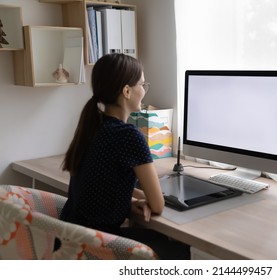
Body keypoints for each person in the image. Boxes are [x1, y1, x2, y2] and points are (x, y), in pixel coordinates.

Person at [60, 53, 190, 259]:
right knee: (181, 250)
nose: (144, 91)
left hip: (71, 241)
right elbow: (157, 205)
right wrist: (141, 199)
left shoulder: (93, 126)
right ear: (127, 91)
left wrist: (128, 201)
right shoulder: (129, 136)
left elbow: (102, 184)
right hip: (98, 247)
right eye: (142, 84)